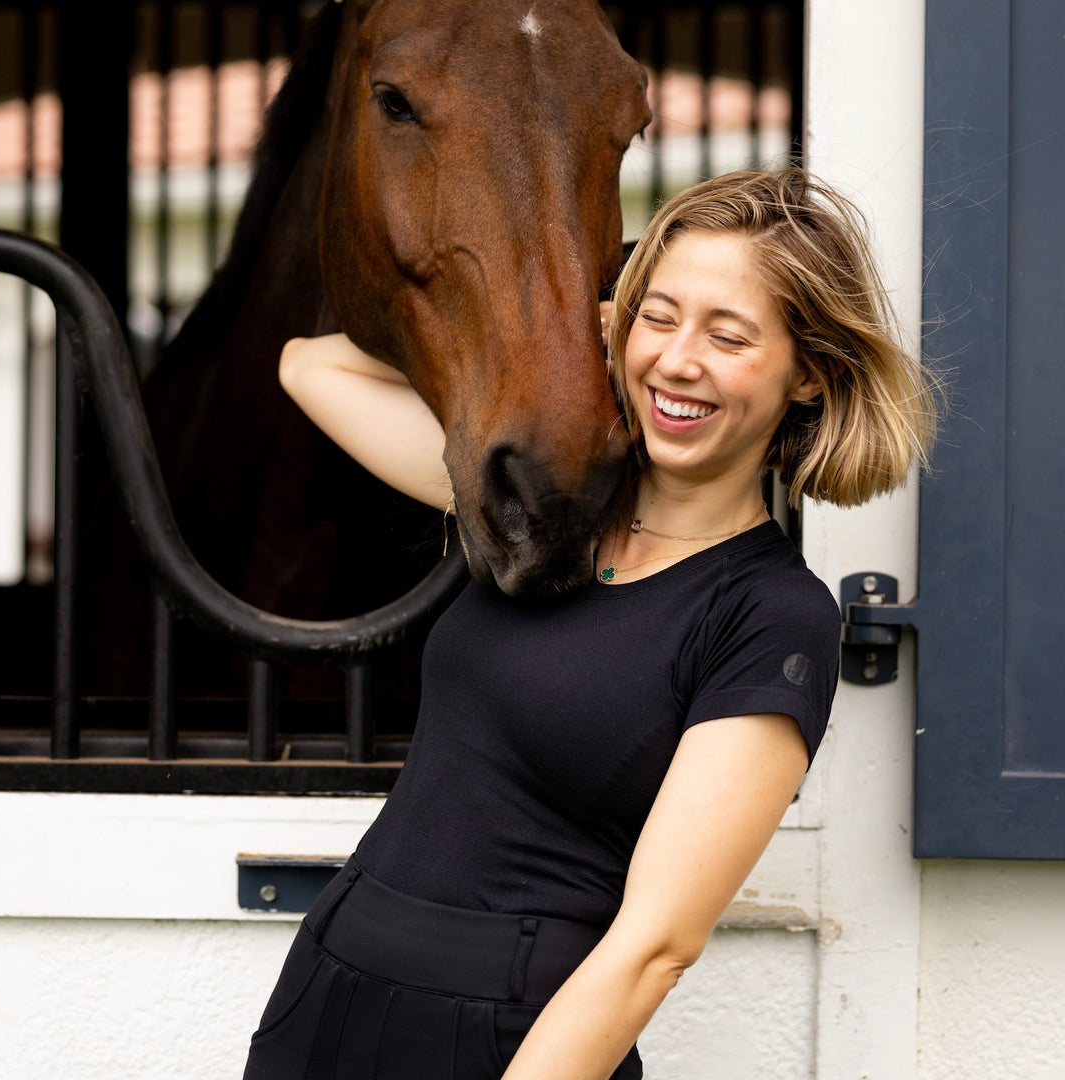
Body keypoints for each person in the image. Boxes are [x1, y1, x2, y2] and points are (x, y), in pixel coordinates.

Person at [242, 168, 938, 1080]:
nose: (679, 361)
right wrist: (571, 332)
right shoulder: (544, 504)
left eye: (728, 335)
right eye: (660, 316)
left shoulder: (771, 616)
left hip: (508, 1037)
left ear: (810, 373)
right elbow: (313, 364)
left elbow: (655, 946)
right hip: (326, 987)